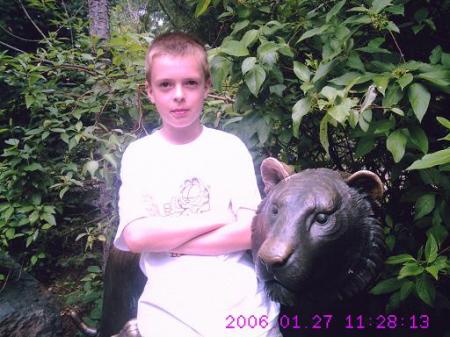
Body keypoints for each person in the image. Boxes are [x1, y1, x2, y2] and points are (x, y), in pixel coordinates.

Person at [114, 31, 280, 337]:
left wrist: (166, 240)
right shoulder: (140, 156)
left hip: (246, 312)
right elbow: (136, 236)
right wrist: (218, 218)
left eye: (190, 83)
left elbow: (250, 231)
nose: (179, 95)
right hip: (167, 315)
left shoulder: (229, 148)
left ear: (207, 86)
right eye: (166, 85)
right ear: (150, 91)